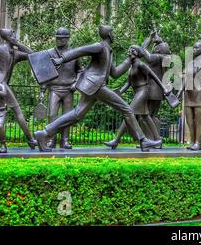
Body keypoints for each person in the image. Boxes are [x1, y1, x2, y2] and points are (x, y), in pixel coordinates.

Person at [34, 25, 162, 152]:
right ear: (109, 35)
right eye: (113, 33)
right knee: (127, 109)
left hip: (93, 87)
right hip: (96, 85)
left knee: (76, 114)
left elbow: (115, 73)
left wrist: (129, 60)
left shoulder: (108, 50)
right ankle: (143, 141)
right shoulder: (99, 46)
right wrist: (61, 59)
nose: (114, 35)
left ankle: (44, 133)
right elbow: (80, 51)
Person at [105, 45, 171, 150]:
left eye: (133, 49)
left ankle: (116, 140)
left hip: (143, 91)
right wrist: (119, 92)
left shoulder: (141, 64)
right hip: (137, 92)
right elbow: (128, 83)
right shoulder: (131, 67)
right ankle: (158, 140)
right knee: (145, 116)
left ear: (137, 53)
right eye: (129, 49)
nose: (130, 51)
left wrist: (164, 88)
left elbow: (154, 76)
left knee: (128, 113)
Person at [0, 28, 37, 150]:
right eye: (12, 35)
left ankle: (30, 140)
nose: (15, 36)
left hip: (3, 86)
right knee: (17, 111)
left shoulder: (15, 53)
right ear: (6, 37)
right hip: (0, 85)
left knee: (2, 114)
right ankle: (31, 140)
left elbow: (33, 55)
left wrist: (18, 44)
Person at [39, 28, 82, 150]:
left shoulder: (74, 54)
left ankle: (65, 140)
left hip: (69, 89)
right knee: (52, 115)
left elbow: (80, 71)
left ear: (68, 38)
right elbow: (44, 73)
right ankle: (51, 139)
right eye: (57, 38)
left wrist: (76, 83)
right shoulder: (49, 53)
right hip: (54, 88)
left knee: (67, 116)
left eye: (62, 38)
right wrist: (42, 90)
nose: (59, 40)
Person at [178, 40, 201, 151]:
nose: (194, 50)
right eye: (194, 48)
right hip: (188, 95)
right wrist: (179, 92)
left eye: (197, 48)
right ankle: (192, 141)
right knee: (189, 120)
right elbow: (185, 78)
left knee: (198, 121)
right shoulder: (190, 63)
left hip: (199, 95)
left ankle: (198, 143)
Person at [138, 28, 172, 137]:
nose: (154, 49)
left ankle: (153, 139)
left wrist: (150, 38)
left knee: (148, 115)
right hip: (158, 91)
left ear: (158, 50)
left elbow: (142, 50)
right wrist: (155, 39)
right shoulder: (165, 58)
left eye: (156, 47)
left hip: (153, 90)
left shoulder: (157, 57)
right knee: (152, 115)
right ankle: (154, 139)